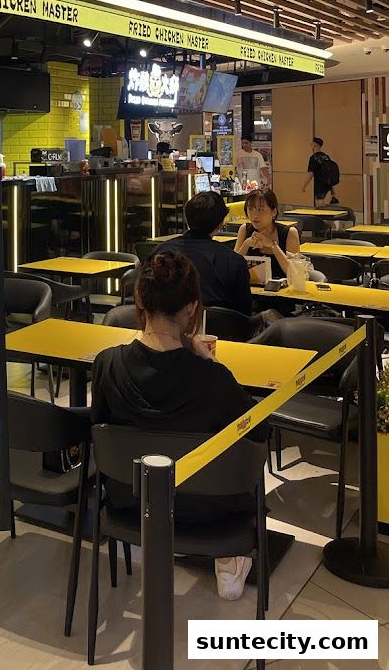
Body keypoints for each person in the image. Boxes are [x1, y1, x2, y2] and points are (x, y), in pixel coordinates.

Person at [90, 251, 265, 600]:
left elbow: (100, 427)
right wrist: (210, 362)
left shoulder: (107, 364)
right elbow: (257, 435)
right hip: (211, 514)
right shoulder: (213, 378)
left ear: (139, 299)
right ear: (191, 309)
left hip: (132, 504)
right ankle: (228, 562)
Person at [161, 190, 253, 315]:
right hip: (223, 331)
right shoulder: (234, 261)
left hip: (166, 328)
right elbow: (244, 312)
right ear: (221, 223)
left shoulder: (161, 252)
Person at [235, 189, 300, 280]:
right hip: (250, 290)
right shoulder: (244, 229)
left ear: (273, 212)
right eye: (250, 209)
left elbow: (295, 274)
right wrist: (246, 244)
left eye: (260, 209)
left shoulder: (290, 233)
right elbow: (232, 268)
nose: (255, 214)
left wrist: (273, 246)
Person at [302, 137, 340, 206]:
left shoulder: (313, 158)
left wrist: (304, 186)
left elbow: (310, 174)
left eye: (311, 144)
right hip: (328, 186)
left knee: (320, 206)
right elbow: (329, 173)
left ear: (314, 145)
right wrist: (333, 190)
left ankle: (322, 216)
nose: (310, 145)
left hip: (319, 186)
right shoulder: (326, 156)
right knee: (324, 206)